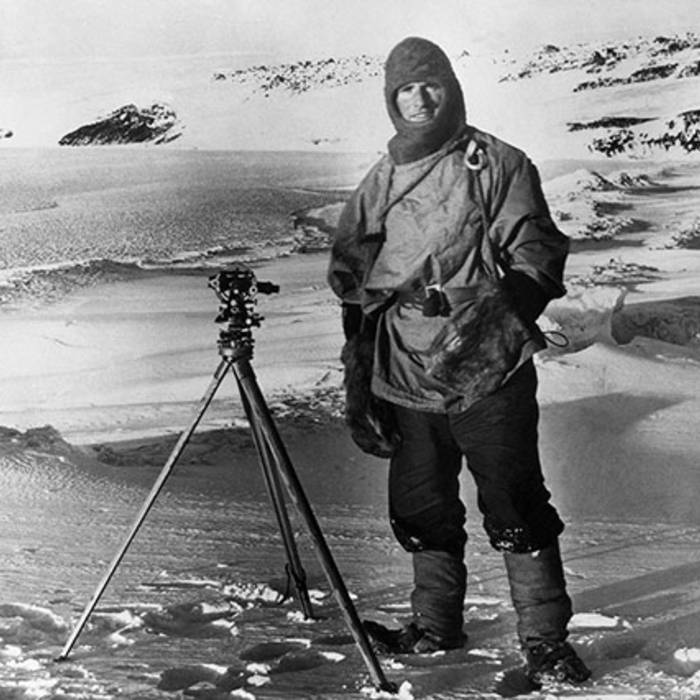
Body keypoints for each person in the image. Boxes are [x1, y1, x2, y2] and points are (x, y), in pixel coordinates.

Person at [327, 36, 591, 687]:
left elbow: (535, 254)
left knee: (514, 500)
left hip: (488, 367)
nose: (419, 100)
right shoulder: (383, 178)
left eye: (430, 85)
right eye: (405, 90)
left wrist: (496, 319)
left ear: (451, 87)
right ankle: (435, 625)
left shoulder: (497, 163)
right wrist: (361, 363)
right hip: (405, 369)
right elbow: (352, 274)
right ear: (390, 99)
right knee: (421, 504)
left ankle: (545, 641)